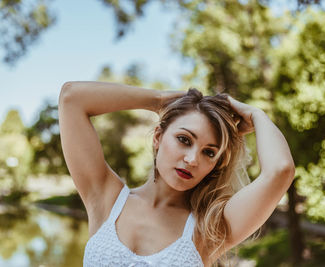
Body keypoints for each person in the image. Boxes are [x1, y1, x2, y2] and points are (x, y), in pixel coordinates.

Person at [58, 81, 295, 267]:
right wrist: (158, 100)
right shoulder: (107, 198)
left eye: (209, 153)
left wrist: (256, 115)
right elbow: (72, 98)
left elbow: (280, 170)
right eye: (184, 139)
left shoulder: (209, 227)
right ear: (158, 137)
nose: (192, 159)